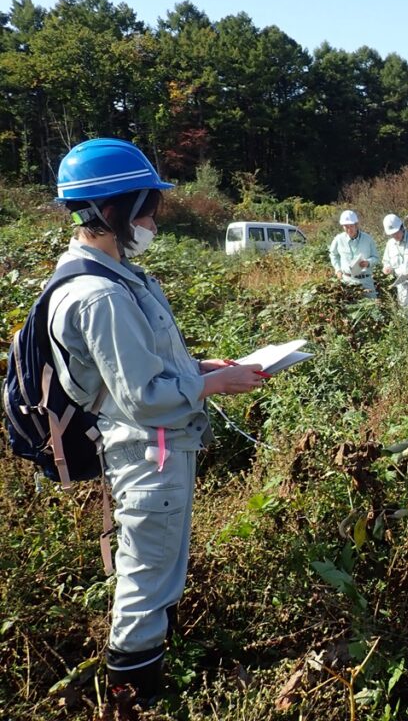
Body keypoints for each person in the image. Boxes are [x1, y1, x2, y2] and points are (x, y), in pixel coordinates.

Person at [48, 138, 266, 711]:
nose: (152, 220)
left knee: (157, 572)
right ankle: (134, 699)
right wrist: (214, 385)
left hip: (162, 450)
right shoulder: (99, 295)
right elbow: (143, 398)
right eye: (146, 208)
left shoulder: (123, 277)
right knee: (146, 585)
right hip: (150, 454)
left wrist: (202, 368)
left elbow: (148, 366)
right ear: (113, 209)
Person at [328, 209, 379, 298]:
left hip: (366, 281)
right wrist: (338, 270)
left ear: (356, 225)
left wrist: (368, 262)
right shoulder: (338, 239)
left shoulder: (368, 239)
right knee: (350, 309)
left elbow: (376, 257)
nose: (349, 229)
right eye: (346, 226)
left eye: (351, 226)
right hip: (347, 281)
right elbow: (333, 255)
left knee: (372, 309)